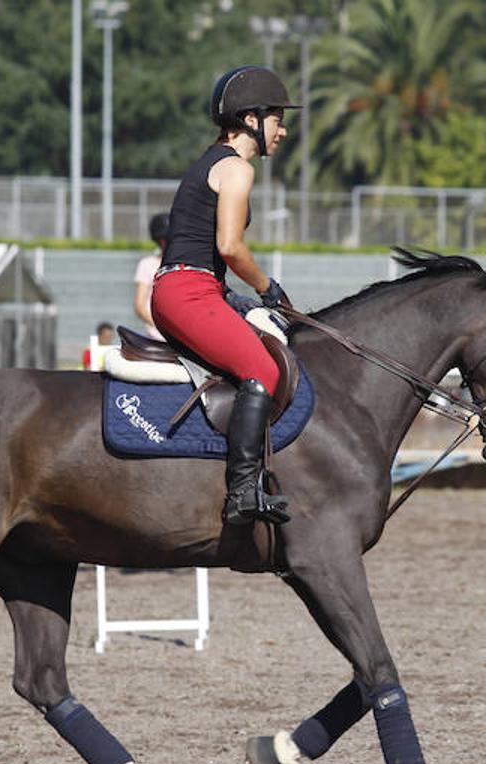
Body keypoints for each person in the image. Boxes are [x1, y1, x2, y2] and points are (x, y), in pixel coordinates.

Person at [151, 65, 298, 526]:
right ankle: (242, 492)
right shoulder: (235, 168)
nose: (283, 129)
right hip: (188, 292)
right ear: (251, 118)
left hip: (192, 288)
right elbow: (230, 246)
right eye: (277, 117)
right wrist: (266, 287)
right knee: (262, 368)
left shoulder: (210, 160)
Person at [132, 213, 170, 339]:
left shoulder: (185, 265)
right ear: (160, 240)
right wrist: (163, 328)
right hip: (157, 337)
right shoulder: (147, 264)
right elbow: (140, 306)